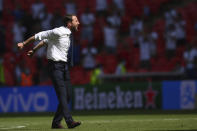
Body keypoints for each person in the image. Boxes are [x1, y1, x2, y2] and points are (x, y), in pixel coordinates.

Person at [17, 14, 81, 129]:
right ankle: (69, 121)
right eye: (76, 21)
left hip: (64, 67)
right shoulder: (58, 31)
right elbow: (39, 36)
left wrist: (34, 50)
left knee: (68, 96)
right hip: (55, 66)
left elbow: (45, 42)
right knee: (62, 95)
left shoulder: (67, 34)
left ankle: (56, 123)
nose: (79, 23)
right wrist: (24, 43)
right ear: (69, 23)